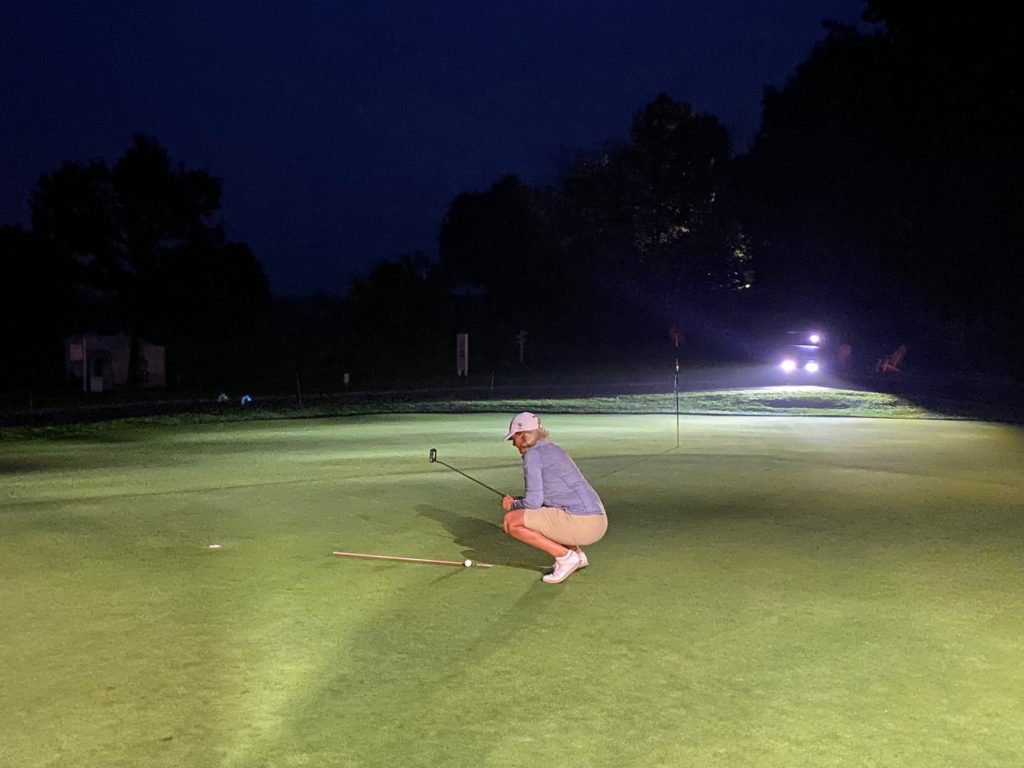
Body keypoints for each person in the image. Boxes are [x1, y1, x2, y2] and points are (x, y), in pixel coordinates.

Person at [501, 412, 608, 584]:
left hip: (582, 523)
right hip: (598, 521)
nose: (513, 443)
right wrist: (519, 500)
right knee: (545, 512)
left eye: (514, 437)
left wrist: (513, 505)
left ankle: (566, 557)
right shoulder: (554, 449)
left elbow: (534, 502)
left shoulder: (533, 455)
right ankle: (578, 555)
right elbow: (546, 499)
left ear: (523, 435)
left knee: (511, 521)